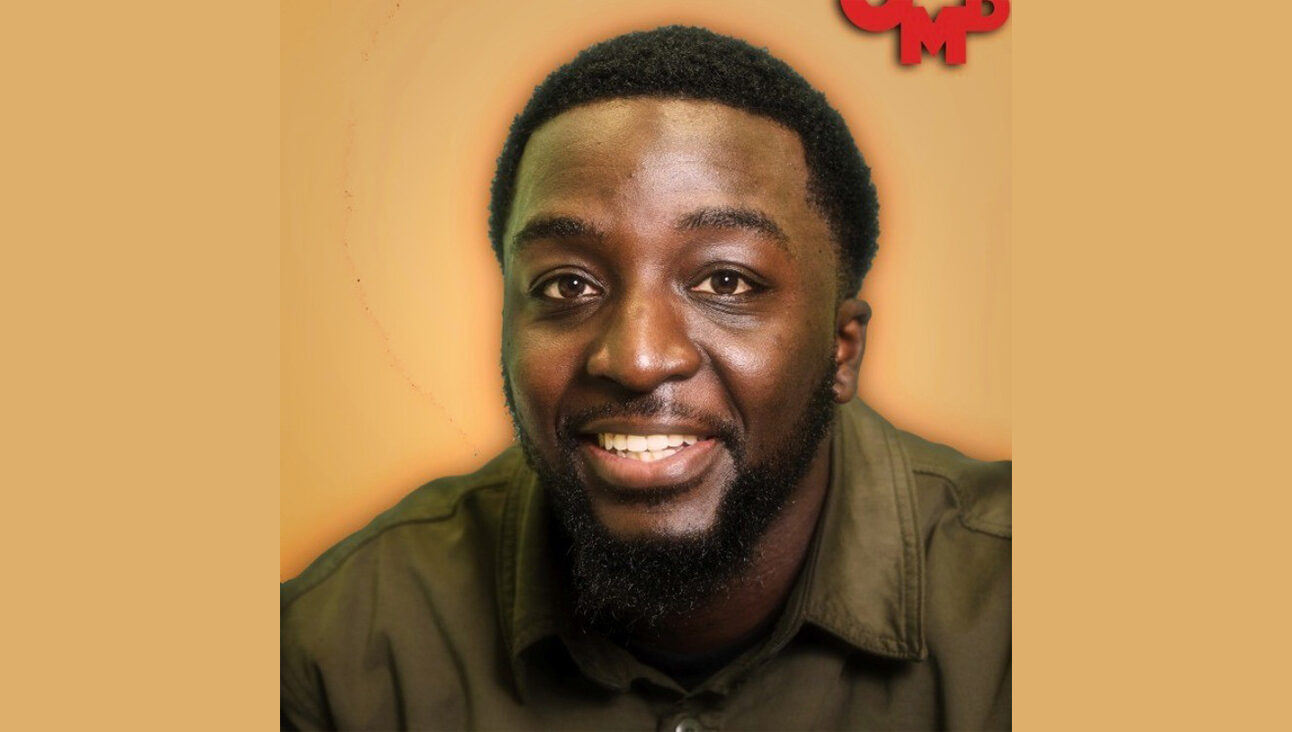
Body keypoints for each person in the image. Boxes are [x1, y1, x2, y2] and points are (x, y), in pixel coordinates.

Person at [281, 25, 1010, 731]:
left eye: (726, 280)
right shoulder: (333, 652)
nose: (635, 359)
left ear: (842, 351)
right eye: (568, 285)